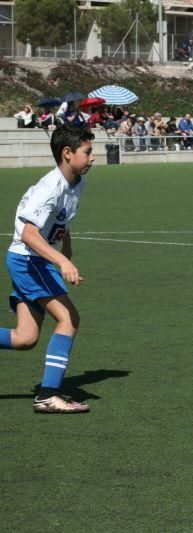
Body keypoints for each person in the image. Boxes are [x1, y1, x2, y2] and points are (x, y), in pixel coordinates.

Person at [0, 125, 95, 413]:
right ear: (67, 153)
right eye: (87, 152)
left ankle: (48, 394)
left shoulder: (76, 183)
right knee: (68, 318)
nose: (92, 158)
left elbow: (59, 220)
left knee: (25, 338)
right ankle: (48, 395)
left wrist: (66, 245)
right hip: (28, 260)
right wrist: (62, 261)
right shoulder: (49, 188)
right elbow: (29, 233)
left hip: (34, 260)